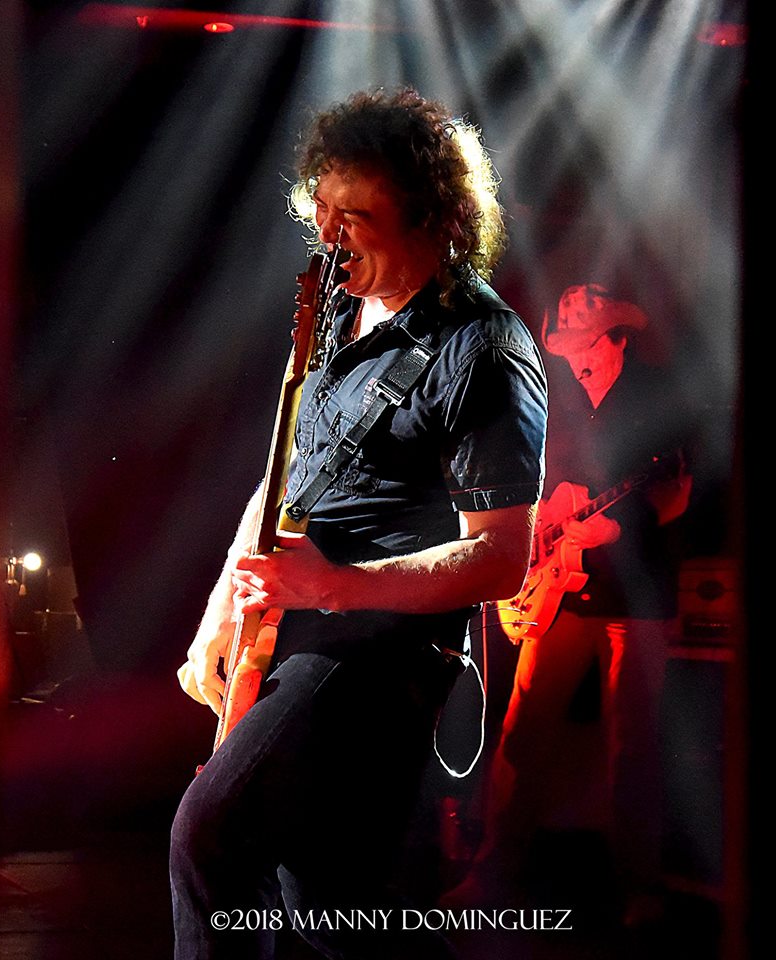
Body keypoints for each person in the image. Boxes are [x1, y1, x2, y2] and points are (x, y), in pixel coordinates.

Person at [169, 88, 548, 960]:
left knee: (210, 836)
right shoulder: (337, 310)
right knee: (330, 900)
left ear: (433, 221)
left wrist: (333, 586)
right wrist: (219, 613)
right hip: (296, 627)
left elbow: (502, 559)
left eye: (358, 217)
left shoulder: (484, 349)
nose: (330, 236)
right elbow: (285, 478)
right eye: (323, 210)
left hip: (379, 655)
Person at [448, 283, 691, 929]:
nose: (576, 360)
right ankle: (490, 872)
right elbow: (542, 490)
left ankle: (639, 889)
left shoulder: (658, 399)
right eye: (568, 349)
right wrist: (541, 530)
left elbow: (678, 494)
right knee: (521, 731)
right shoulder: (564, 408)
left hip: (636, 599)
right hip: (561, 591)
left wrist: (620, 528)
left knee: (632, 745)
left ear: (618, 339)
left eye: (586, 346)